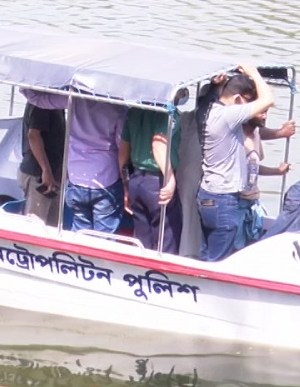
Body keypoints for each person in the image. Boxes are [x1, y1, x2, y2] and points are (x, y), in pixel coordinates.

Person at [197, 64, 274, 261]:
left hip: (207, 194)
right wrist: (254, 73)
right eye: (246, 102)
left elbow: (211, 95)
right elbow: (268, 100)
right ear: (238, 99)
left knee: (208, 252)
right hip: (224, 198)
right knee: (220, 258)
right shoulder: (229, 115)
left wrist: (216, 85)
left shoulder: (207, 109)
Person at [119, 88, 188, 253]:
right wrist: (170, 179)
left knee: (142, 241)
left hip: (136, 180)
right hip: (156, 182)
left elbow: (123, 152)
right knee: (167, 240)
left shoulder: (134, 111)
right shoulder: (168, 114)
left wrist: (126, 185)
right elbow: (158, 145)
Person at [64, 97, 127, 233]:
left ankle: (76, 254)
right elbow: (121, 144)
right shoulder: (118, 107)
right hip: (105, 178)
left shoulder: (74, 99)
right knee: (104, 236)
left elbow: (39, 99)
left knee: (80, 231)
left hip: (76, 177)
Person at [234, 115, 294, 249]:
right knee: (235, 245)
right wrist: (280, 133)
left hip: (252, 199)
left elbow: (254, 167)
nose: (265, 116)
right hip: (237, 200)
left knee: (251, 241)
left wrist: (277, 171)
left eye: (267, 111)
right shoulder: (235, 137)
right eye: (261, 111)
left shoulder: (254, 134)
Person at [16, 90, 66, 226]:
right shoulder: (41, 102)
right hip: (37, 174)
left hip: (53, 172)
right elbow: (33, 135)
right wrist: (46, 170)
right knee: (35, 223)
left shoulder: (56, 103)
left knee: (53, 225)